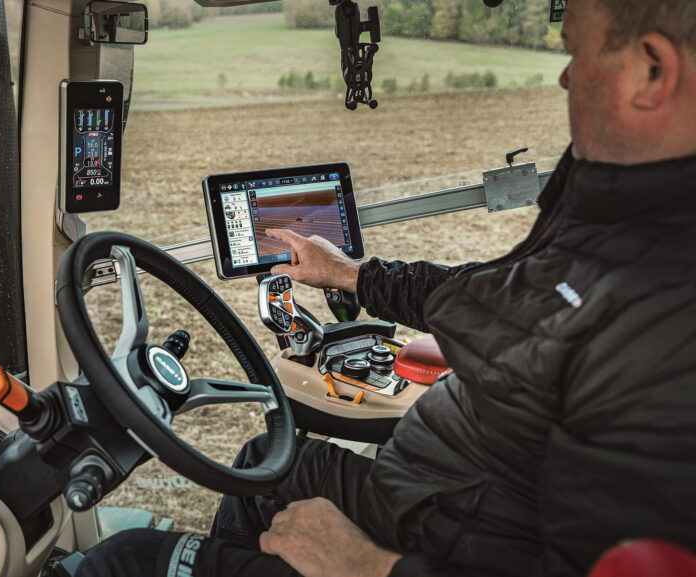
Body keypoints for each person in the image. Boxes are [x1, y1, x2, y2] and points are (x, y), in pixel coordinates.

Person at [78, 0, 696, 575]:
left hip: (439, 541)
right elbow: (487, 296)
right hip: (449, 493)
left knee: (125, 559)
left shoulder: (667, 319)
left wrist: (364, 564)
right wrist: (350, 275)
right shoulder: (623, 205)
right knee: (265, 459)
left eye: (574, 52)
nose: (564, 79)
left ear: (651, 70)